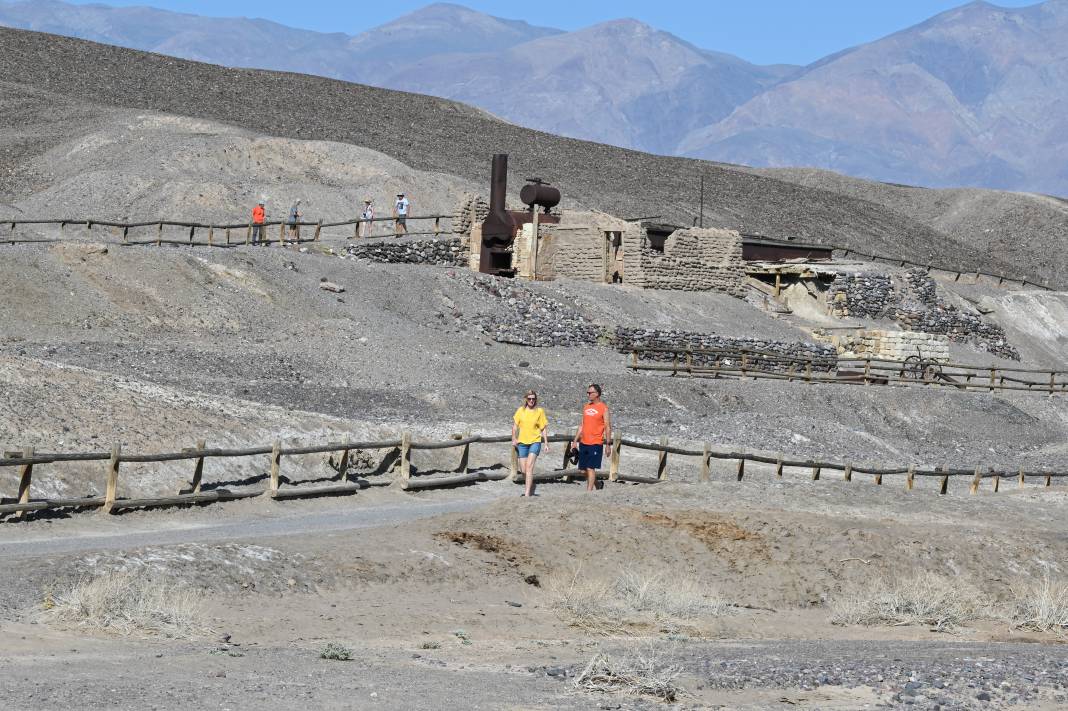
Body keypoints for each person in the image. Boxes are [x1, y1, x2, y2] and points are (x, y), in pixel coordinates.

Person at [571, 384, 611, 492]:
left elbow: (607, 427)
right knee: (582, 471)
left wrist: (607, 444)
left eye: (590, 392)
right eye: (587, 392)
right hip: (584, 442)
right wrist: (575, 441)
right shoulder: (586, 407)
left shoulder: (604, 408)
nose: (588, 394)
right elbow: (581, 425)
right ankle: (597, 483)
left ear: (597, 394)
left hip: (596, 443)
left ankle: (589, 493)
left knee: (590, 468)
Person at [512, 390, 549, 498]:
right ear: (526, 399)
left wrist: (546, 443)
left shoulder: (540, 411)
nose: (531, 400)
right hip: (522, 443)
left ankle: (527, 494)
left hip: (535, 441)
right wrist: (514, 438)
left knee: (529, 467)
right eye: (529, 399)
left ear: (536, 400)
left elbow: (543, 428)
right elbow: (514, 426)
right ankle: (531, 486)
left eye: (533, 398)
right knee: (523, 470)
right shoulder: (520, 410)